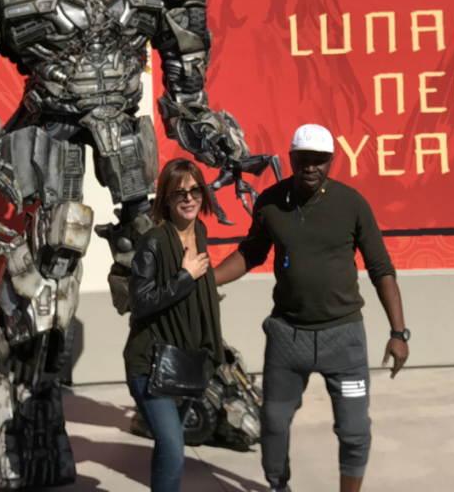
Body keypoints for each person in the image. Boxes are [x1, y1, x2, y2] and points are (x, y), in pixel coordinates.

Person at [214, 123, 410, 492]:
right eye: (303, 159)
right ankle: (278, 485)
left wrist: (398, 333)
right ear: (291, 159)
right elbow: (250, 254)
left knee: (354, 430)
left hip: (344, 340)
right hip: (288, 338)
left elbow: (381, 268)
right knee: (273, 422)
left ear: (331, 162)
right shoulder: (270, 202)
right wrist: (207, 279)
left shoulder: (352, 204)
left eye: (319, 161)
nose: (311, 167)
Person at [124, 158, 225, 492]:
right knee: (174, 448)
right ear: (165, 199)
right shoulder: (152, 243)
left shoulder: (200, 231)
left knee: (168, 447)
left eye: (195, 189)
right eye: (178, 192)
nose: (188, 198)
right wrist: (184, 277)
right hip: (150, 364)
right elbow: (138, 303)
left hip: (186, 361)